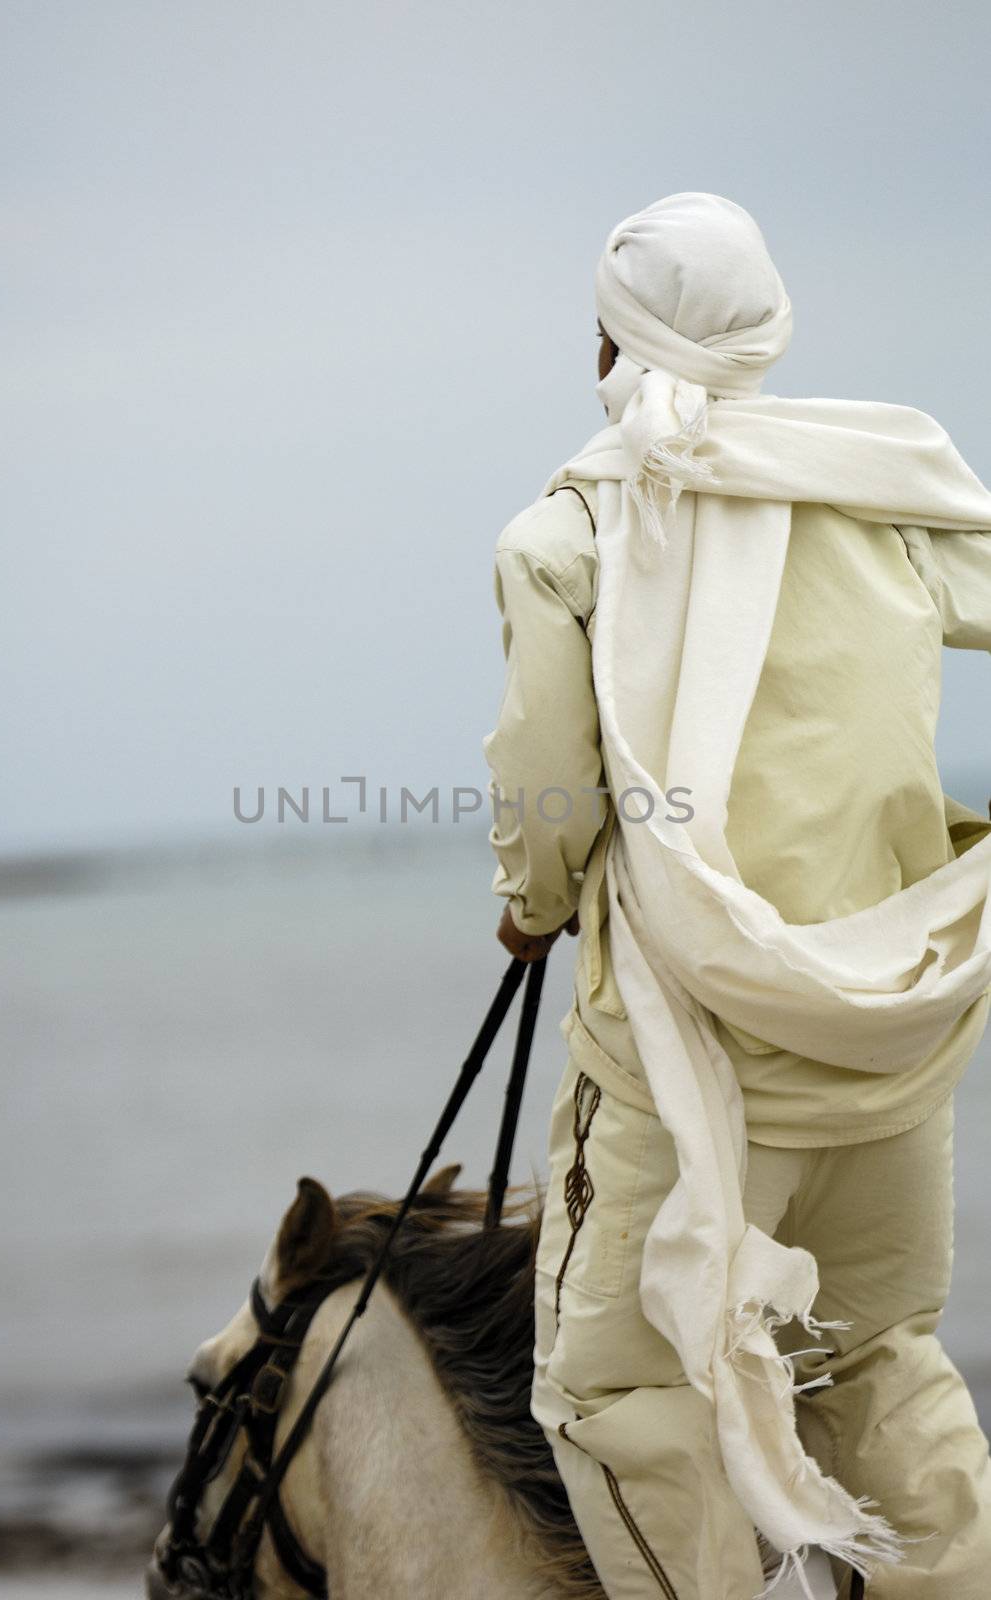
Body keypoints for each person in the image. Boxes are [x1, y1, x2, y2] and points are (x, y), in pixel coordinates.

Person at [484, 193, 991, 1600]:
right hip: (894, 1045)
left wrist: (530, 902)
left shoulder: (568, 534)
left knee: (609, 1394)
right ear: (765, 332)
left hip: (683, 1063)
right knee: (876, 1367)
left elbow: (546, 786)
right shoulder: (879, 489)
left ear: (616, 341)